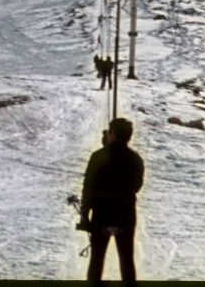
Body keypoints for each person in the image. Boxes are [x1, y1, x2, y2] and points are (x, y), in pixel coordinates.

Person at [78, 117, 144, 285]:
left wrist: (84, 215)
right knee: (127, 260)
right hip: (126, 216)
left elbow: (88, 188)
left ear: (113, 134)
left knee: (97, 260)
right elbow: (136, 186)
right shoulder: (136, 159)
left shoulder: (98, 156)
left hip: (102, 216)